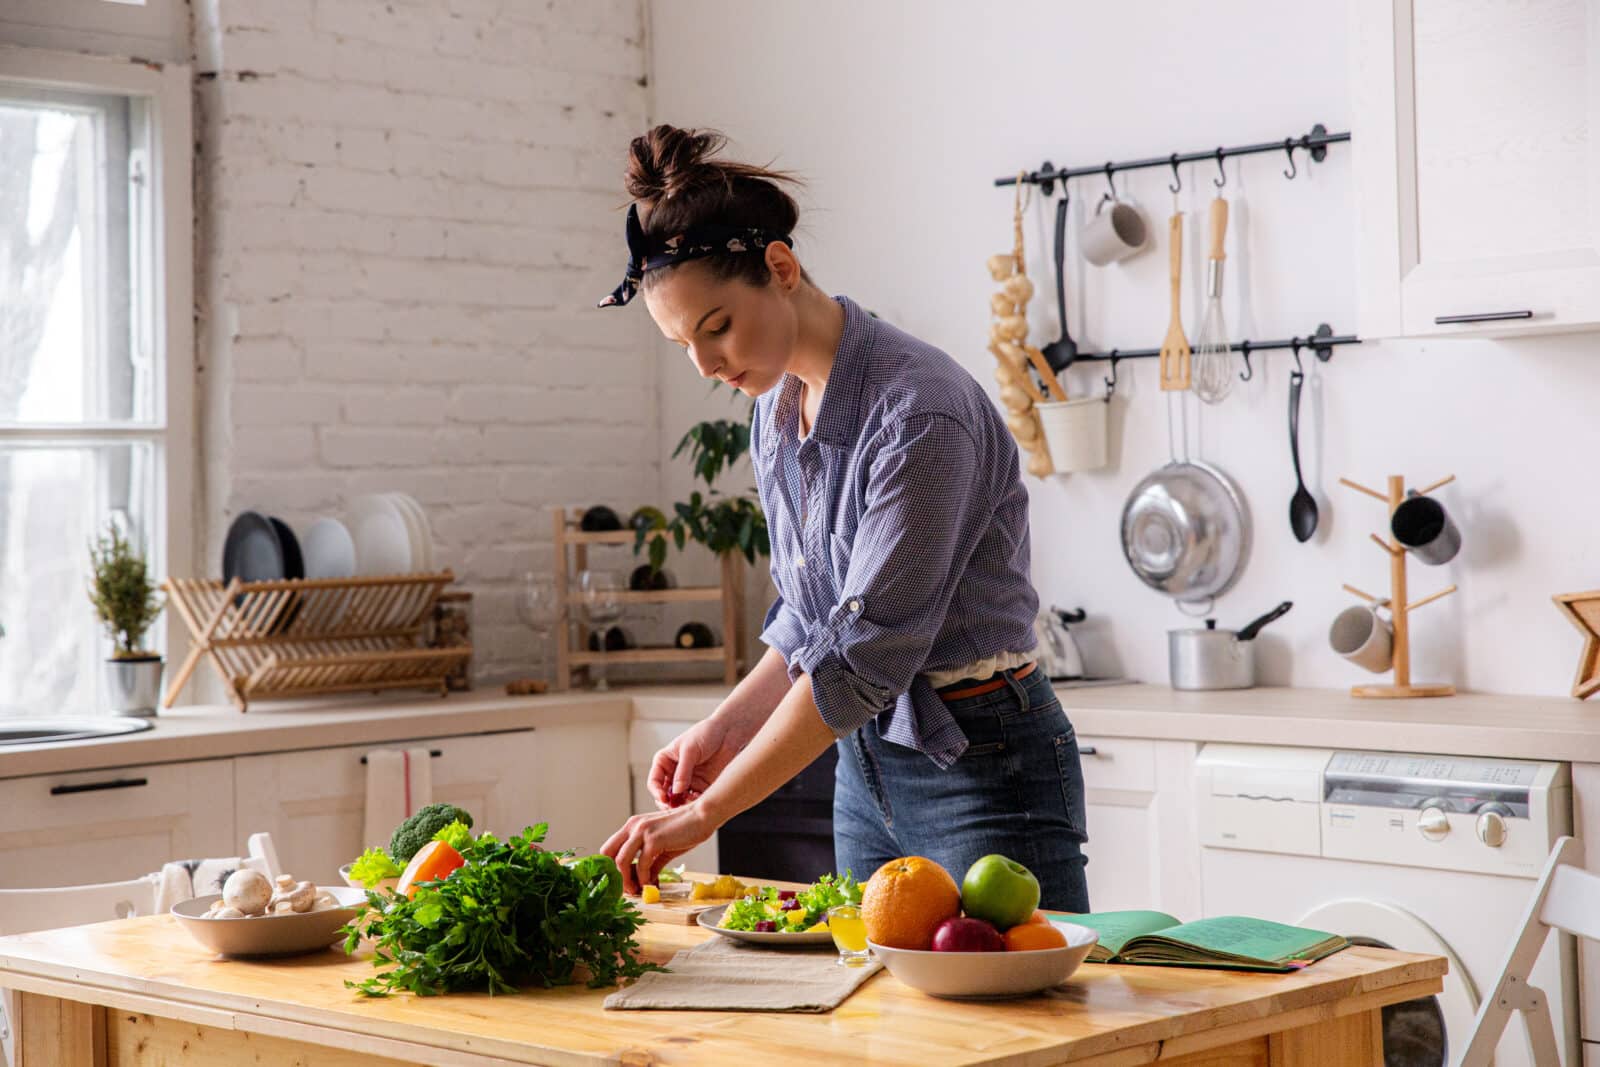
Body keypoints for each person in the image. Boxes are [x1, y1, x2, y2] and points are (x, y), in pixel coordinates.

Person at [596, 125, 1089, 911]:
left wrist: (704, 813)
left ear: (780, 268)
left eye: (716, 326)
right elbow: (812, 616)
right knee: (874, 1014)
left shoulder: (920, 414)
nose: (707, 364)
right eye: (683, 343)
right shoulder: (777, 406)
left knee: (1018, 1018)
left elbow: (861, 657)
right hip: (865, 759)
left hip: (983, 758)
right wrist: (723, 731)